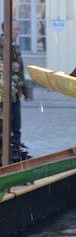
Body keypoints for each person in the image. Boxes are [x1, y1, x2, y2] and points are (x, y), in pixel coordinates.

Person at [0, 21, 32, 162]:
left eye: (18, 28)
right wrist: (9, 66)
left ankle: (16, 153)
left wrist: (26, 92)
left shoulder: (15, 47)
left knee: (16, 126)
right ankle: (6, 156)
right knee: (5, 127)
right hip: (3, 95)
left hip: (15, 94)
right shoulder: (1, 46)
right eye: (15, 29)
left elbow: (20, 72)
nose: (18, 31)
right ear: (6, 30)